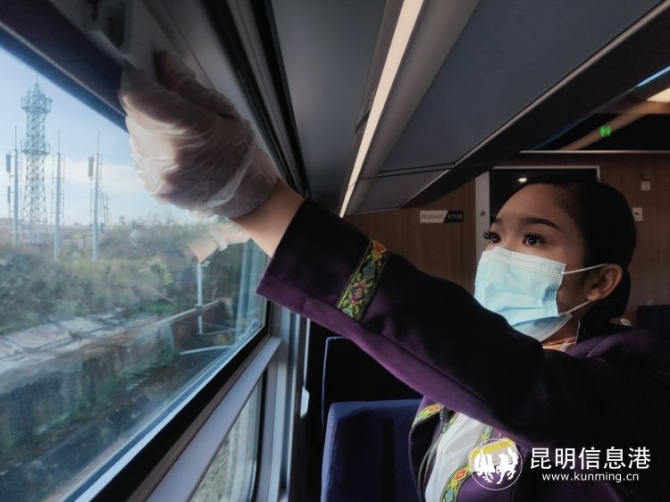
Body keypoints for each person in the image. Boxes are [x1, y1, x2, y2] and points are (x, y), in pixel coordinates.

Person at [119, 52, 670, 501]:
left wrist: (261, 204)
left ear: (599, 282)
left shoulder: (636, 393)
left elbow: (504, 377)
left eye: (533, 240)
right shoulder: (498, 357)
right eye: (495, 235)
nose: (500, 254)